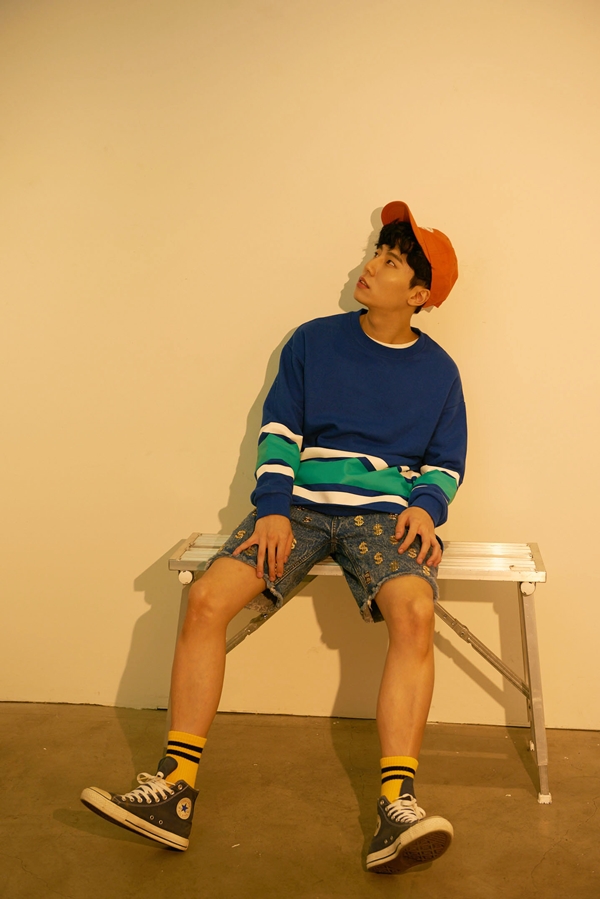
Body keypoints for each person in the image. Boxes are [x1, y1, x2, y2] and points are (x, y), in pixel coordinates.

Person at [81, 200, 467, 874]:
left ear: (418, 294)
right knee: (207, 599)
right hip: (300, 509)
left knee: (416, 611)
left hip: (385, 516)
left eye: (390, 262)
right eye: (376, 253)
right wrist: (271, 508)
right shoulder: (313, 341)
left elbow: (447, 459)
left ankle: (397, 806)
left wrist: (428, 507)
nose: (370, 266)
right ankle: (174, 789)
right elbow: (280, 431)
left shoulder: (439, 371)